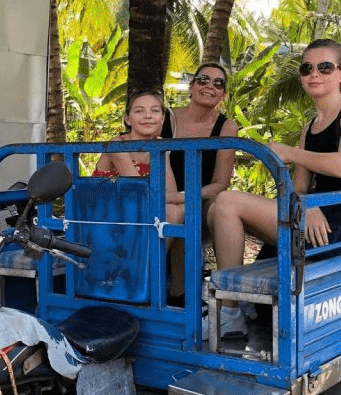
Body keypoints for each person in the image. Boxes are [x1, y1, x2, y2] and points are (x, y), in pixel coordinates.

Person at [210, 39, 341, 339]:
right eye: (307, 68)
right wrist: (308, 206)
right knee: (219, 210)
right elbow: (298, 187)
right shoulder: (310, 126)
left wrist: (290, 153)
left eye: (324, 67)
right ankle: (235, 305)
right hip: (315, 220)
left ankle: (231, 310)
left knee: (227, 202)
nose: (314, 74)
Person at [160, 63, 239, 298]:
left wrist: (186, 198)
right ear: (192, 86)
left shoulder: (226, 127)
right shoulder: (167, 117)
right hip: (159, 197)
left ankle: (180, 297)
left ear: (223, 94)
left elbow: (220, 183)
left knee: (185, 212)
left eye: (218, 83)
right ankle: (143, 282)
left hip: (199, 202)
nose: (210, 86)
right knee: (178, 211)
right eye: (203, 80)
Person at [93, 90, 185, 223]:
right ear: (128, 119)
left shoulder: (160, 145)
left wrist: (179, 198)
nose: (148, 116)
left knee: (176, 210)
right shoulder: (118, 144)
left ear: (163, 118)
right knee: (175, 211)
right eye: (139, 111)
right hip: (107, 214)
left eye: (155, 111)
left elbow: (171, 192)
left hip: (140, 210)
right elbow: (139, 191)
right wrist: (189, 196)